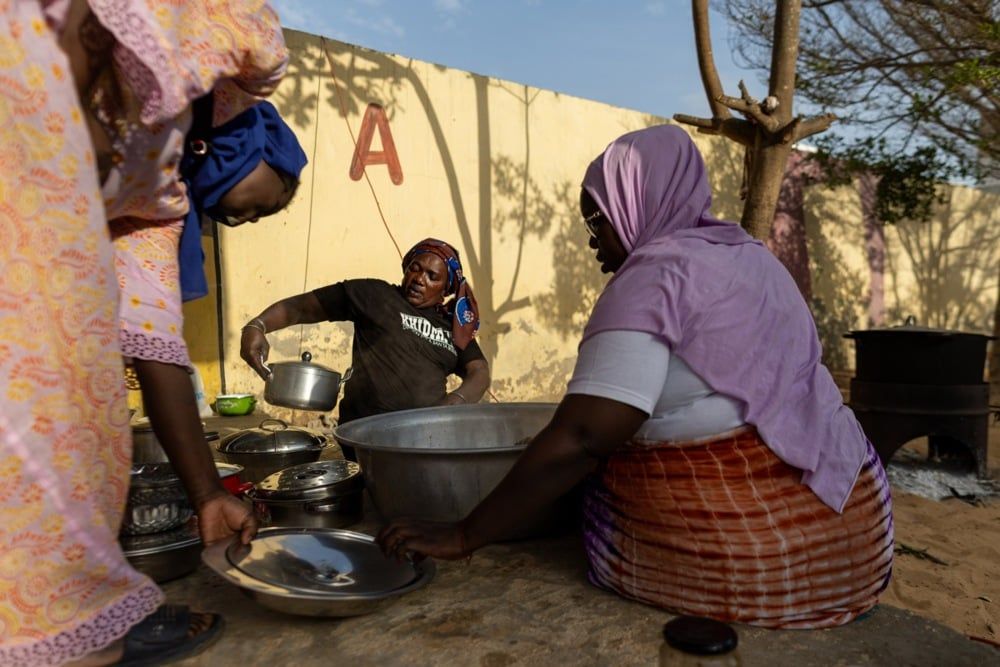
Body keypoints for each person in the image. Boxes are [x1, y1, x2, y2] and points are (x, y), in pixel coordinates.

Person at [377, 125, 894, 630]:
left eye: (597, 220)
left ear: (639, 203)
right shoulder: (753, 258)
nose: (593, 241)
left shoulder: (654, 275)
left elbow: (582, 438)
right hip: (859, 534)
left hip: (767, 562)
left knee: (595, 480)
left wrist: (465, 535)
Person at [0, 2, 292, 665]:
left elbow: (157, 346)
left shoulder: (155, 191)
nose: (257, 214)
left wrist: (207, 494)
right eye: (274, 195)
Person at [240, 238, 491, 450]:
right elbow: (302, 308)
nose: (419, 279)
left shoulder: (452, 327)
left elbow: (479, 371)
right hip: (364, 437)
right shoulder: (375, 295)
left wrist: (454, 402)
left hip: (426, 440)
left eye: (432, 276)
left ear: (445, 289)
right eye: (414, 269)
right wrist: (257, 325)